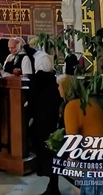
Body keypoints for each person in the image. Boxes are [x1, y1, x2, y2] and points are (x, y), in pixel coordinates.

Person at [28, 53, 62, 195]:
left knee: (42, 149)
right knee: (51, 150)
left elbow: (32, 99)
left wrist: (29, 112)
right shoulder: (54, 79)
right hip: (52, 120)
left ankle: (49, 182)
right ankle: (52, 184)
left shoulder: (36, 79)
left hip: (40, 120)